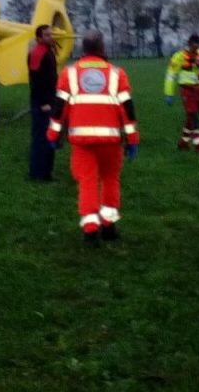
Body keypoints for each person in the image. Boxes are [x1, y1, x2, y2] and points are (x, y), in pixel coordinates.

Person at [47, 31, 139, 244]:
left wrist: (53, 134)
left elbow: (59, 109)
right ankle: (109, 226)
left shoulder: (69, 74)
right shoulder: (117, 74)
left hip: (82, 141)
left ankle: (90, 228)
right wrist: (132, 139)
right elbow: (127, 109)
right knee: (110, 180)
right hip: (111, 140)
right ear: (102, 49)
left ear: (83, 50)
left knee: (87, 183)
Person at [163, 33, 199, 151]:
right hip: (186, 90)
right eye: (193, 45)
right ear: (189, 44)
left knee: (191, 117)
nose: (196, 47)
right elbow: (171, 76)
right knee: (194, 115)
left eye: (198, 45)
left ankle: (183, 142)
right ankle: (198, 143)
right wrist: (169, 93)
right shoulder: (178, 57)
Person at [27, 24, 58, 182]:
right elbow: (36, 82)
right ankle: (38, 173)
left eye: (51, 34)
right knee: (41, 138)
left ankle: (46, 172)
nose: (51, 37)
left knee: (49, 137)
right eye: (47, 35)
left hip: (50, 100)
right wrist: (43, 103)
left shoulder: (48, 52)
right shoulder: (38, 53)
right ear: (39, 38)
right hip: (43, 103)